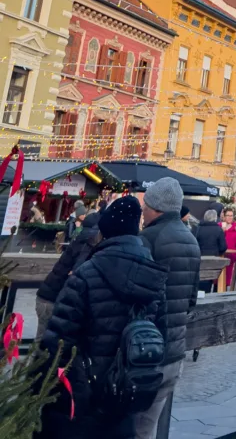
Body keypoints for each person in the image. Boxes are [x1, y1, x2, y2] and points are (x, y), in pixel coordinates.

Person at [40, 196, 167, 439]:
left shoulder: (86, 272)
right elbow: (163, 329)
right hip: (127, 385)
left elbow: (58, 339)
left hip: (83, 390)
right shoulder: (154, 274)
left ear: (106, 229)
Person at [134, 177, 200, 439]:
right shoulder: (191, 241)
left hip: (146, 351)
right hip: (174, 351)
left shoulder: (148, 238)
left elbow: (137, 295)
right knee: (148, 427)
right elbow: (191, 300)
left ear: (156, 208)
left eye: (145, 206)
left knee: (133, 427)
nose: (142, 212)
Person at [36, 211, 100, 341]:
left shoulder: (79, 239)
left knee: (40, 341)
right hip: (55, 299)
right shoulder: (88, 243)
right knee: (49, 345)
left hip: (45, 295)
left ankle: (33, 359)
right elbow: (77, 273)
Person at [221, 208, 236, 289]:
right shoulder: (219, 226)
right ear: (224, 216)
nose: (230, 217)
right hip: (220, 257)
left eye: (231, 216)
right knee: (218, 282)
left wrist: (235, 255)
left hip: (230, 259)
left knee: (227, 282)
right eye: (228, 215)